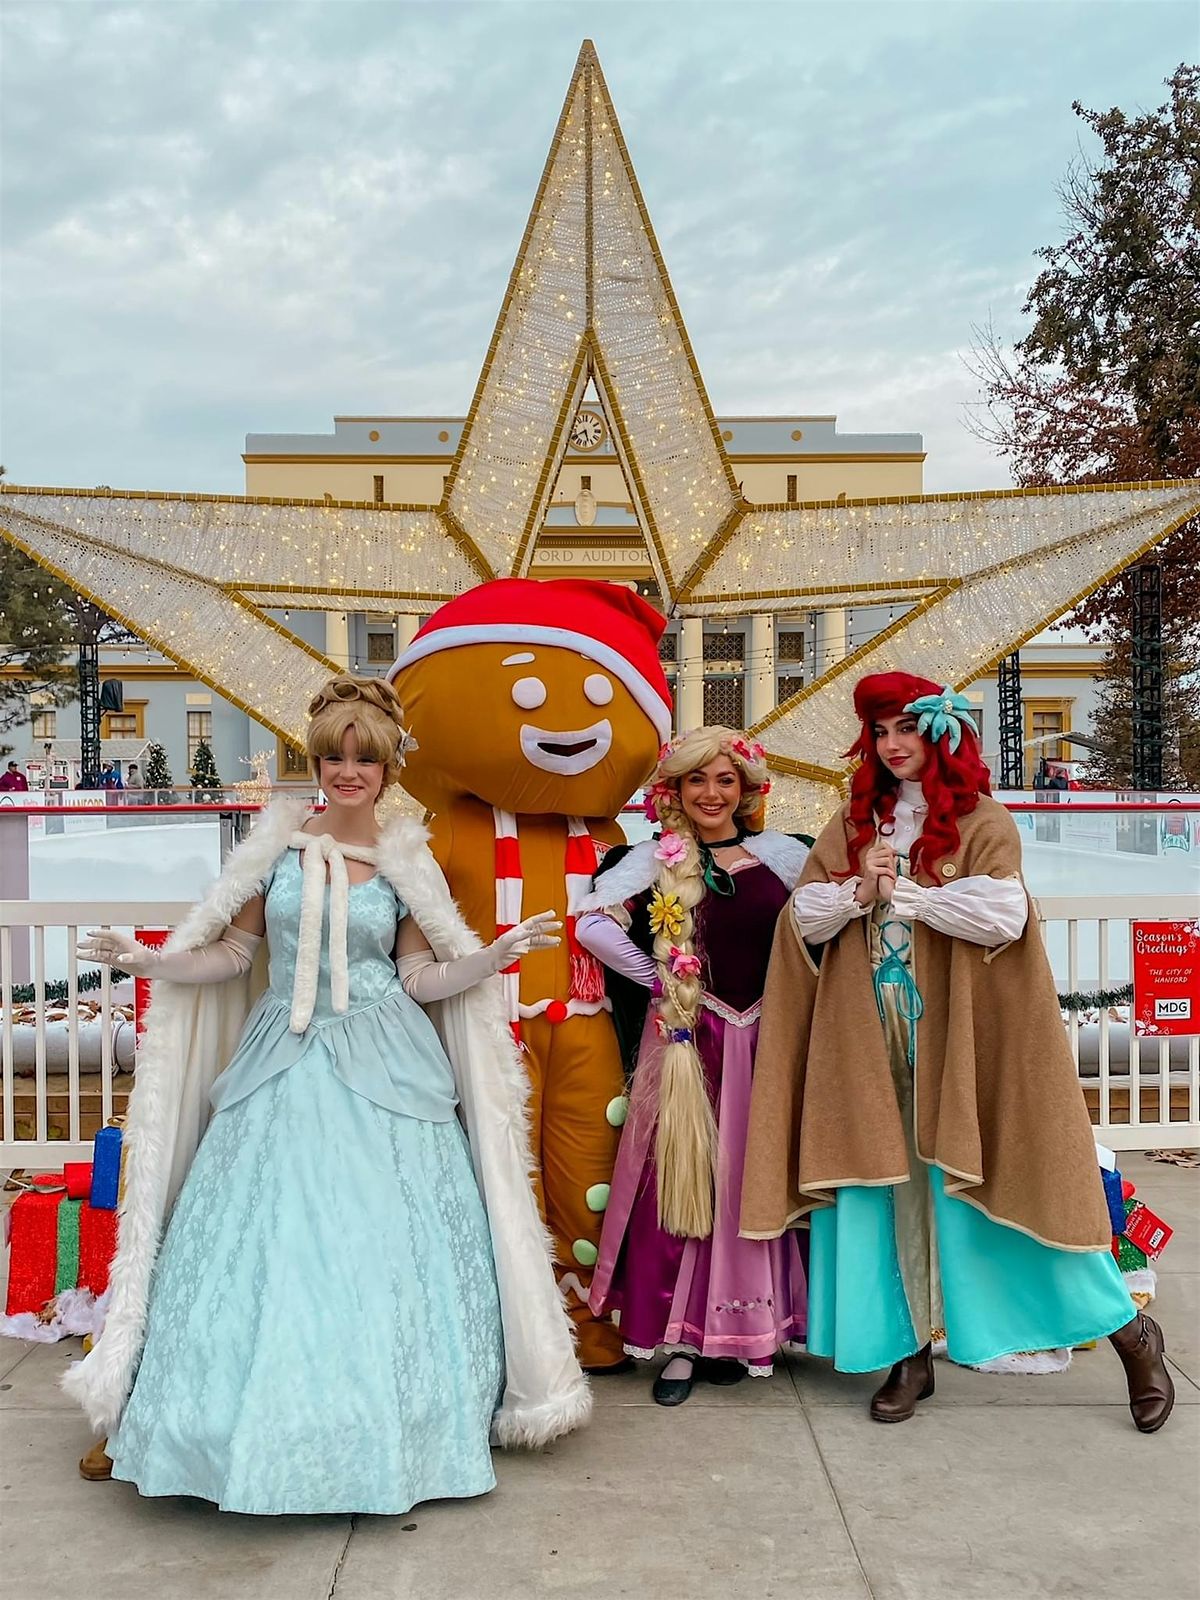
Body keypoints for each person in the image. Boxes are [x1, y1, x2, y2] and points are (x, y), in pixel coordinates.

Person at [69, 675, 590, 1514]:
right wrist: (155, 961)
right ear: (315, 760)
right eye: (334, 756)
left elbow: (420, 975)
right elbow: (236, 960)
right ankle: (197, 1421)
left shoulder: (403, 861)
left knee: (382, 1248)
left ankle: (390, 1428)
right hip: (282, 1054)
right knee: (256, 1244)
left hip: (385, 1061)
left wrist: (490, 960)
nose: (349, 772)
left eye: (365, 758)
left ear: (388, 768)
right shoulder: (272, 851)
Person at [740, 672, 1174, 1433]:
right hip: (868, 1039)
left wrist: (911, 895)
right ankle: (905, 1355)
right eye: (879, 731)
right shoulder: (852, 826)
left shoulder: (983, 821)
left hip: (958, 1044)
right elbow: (801, 922)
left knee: (1005, 1198)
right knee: (881, 1193)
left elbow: (1006, 916)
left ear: (939, 733)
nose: (892, 744)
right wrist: (855, 894)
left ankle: (1130, 1335)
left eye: (906, 727)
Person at [574, 728, 809, 1405]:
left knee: (748, 1181)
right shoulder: (652, 859)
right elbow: (591, 923)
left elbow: (824, 922)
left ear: (746, 789)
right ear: (672, 791)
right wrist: (658, 978)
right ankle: (680, 1341)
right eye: (696, 781)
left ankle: (742, 1332)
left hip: (765, 1040)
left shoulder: (782, 856)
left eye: (724, 780)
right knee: (679, 1184)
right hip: (684, 1042)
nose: (711, 794)